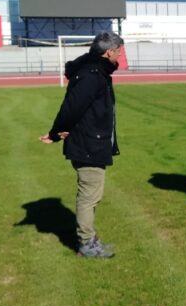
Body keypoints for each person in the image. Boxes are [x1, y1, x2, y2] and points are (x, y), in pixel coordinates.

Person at [39, 31, 124, 259]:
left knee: (91, 194)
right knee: (89, 196)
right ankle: (86, 243)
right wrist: (56, 132)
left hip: (91, 141)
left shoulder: (94, 71)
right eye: (119, 53)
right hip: (89, 144)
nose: (120, 58)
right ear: (109, 52)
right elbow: (72, 107)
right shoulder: (92, 74)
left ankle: (89, 239)